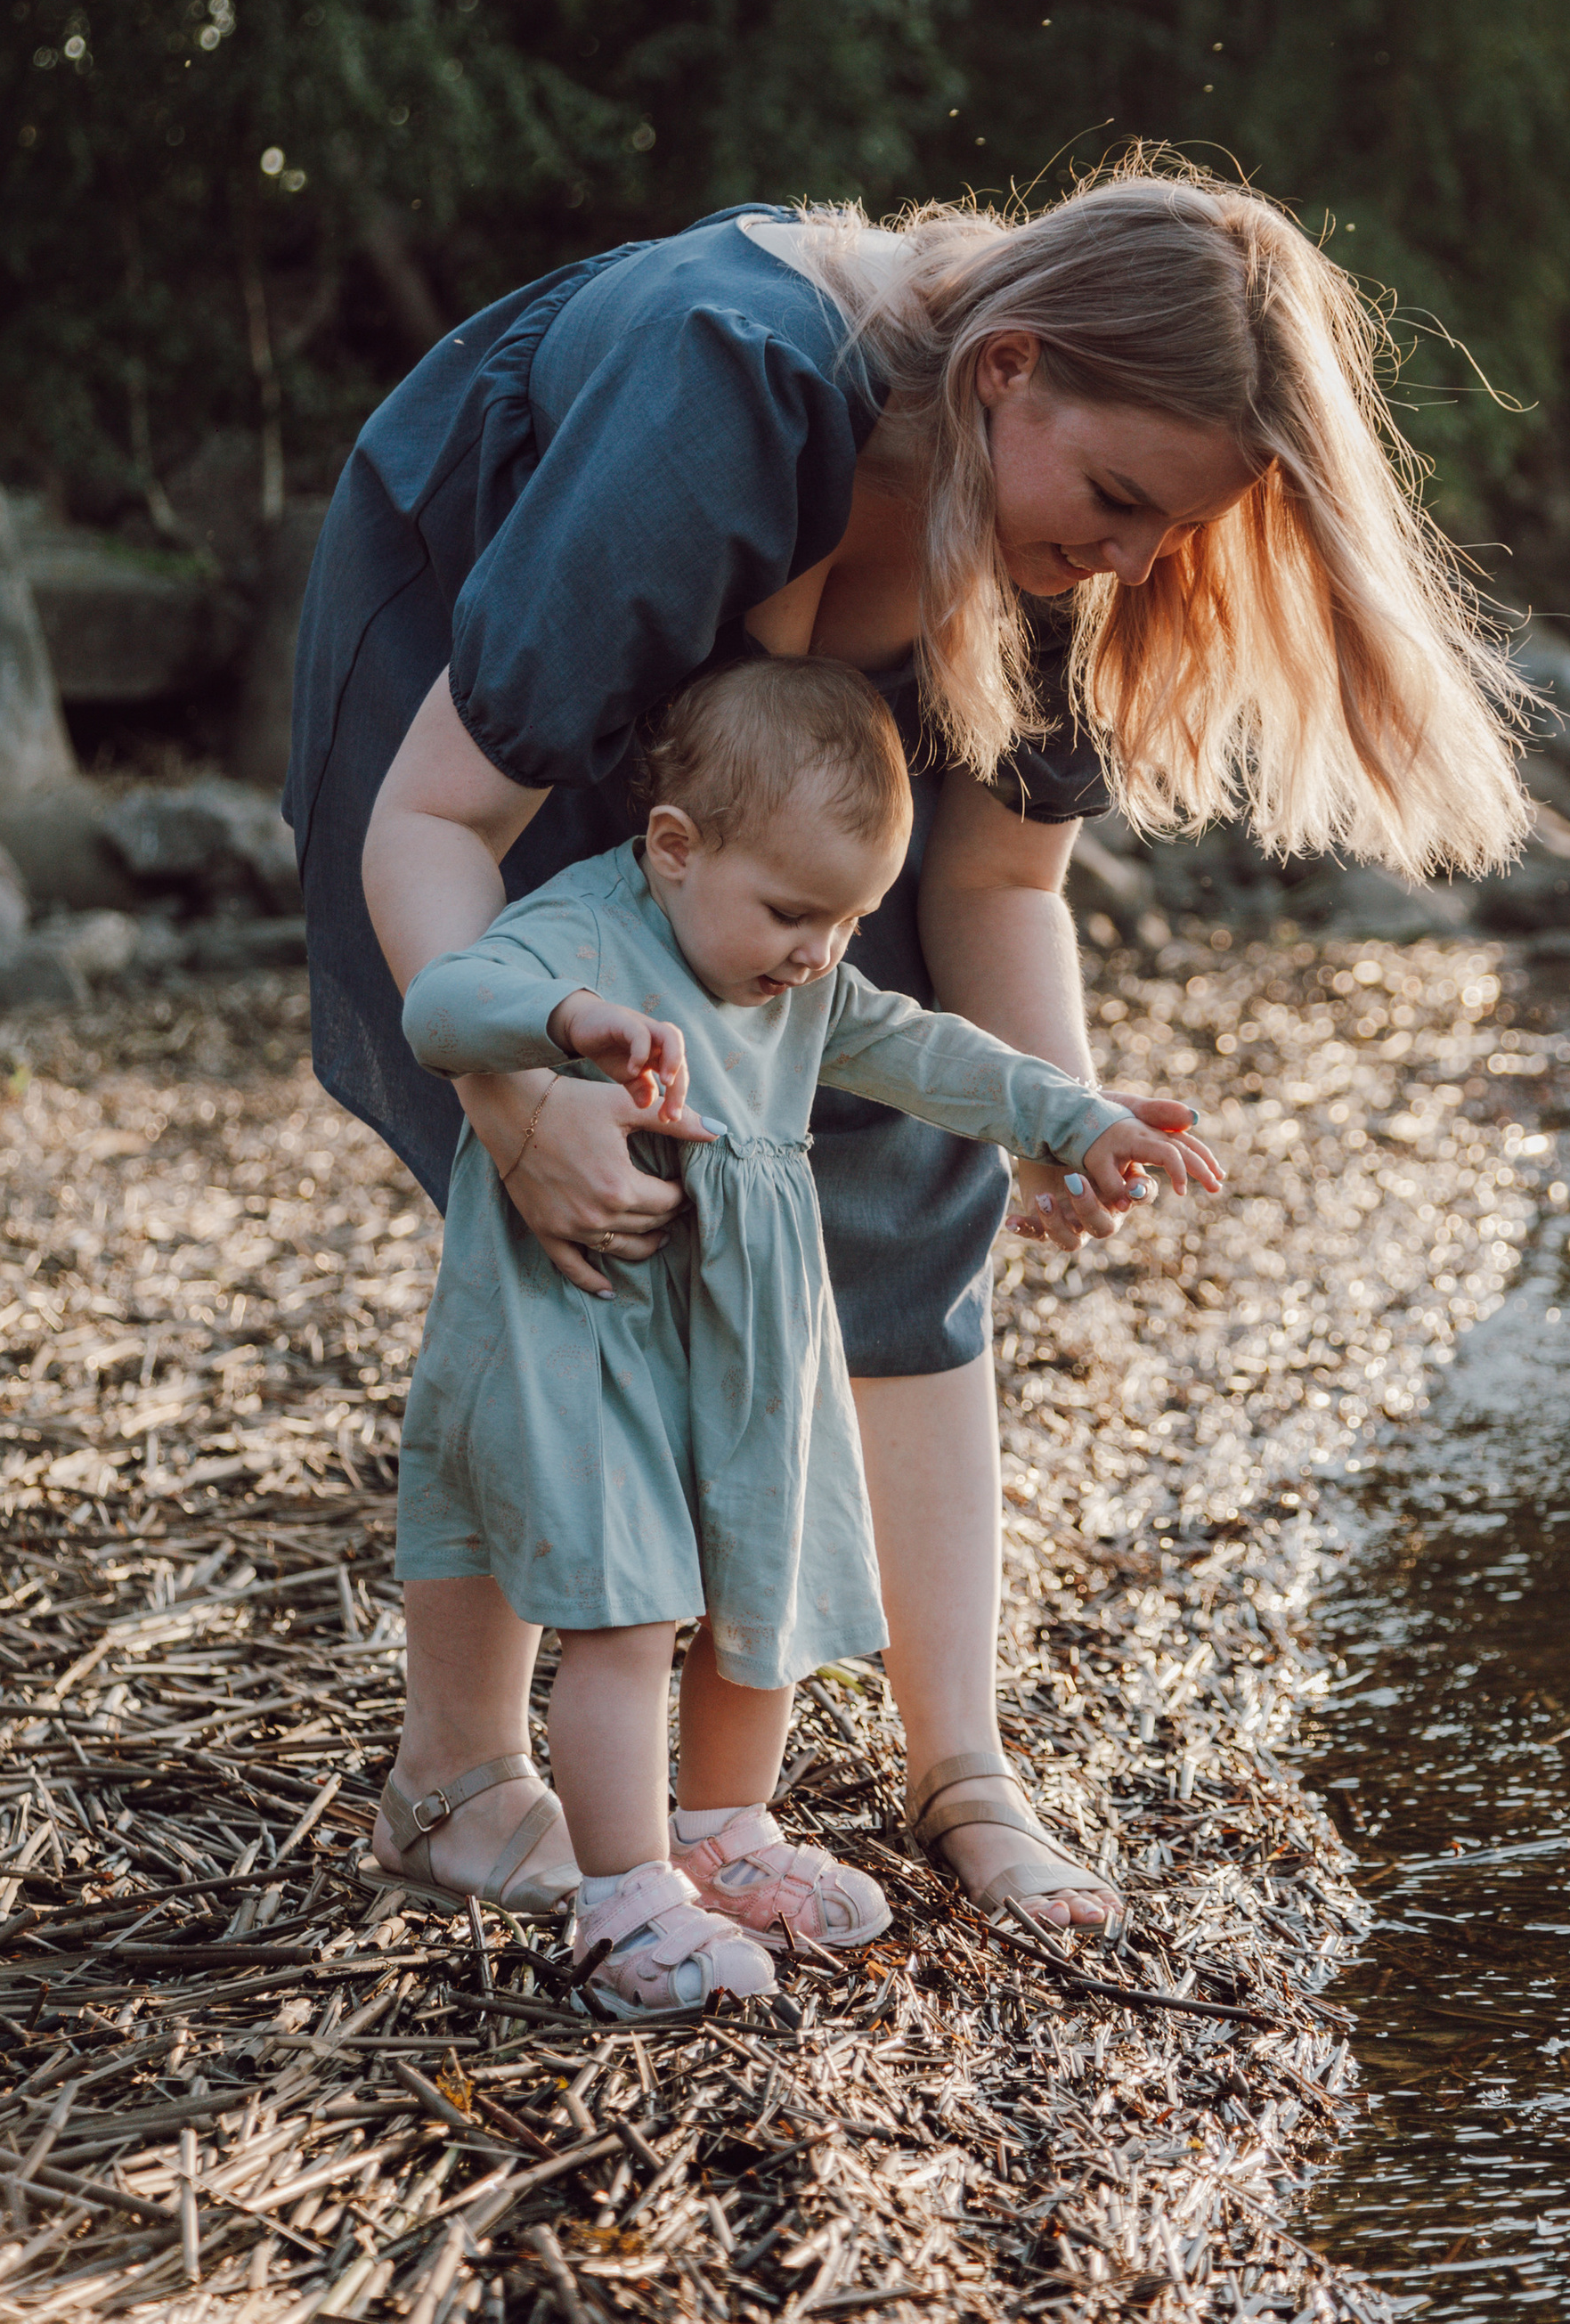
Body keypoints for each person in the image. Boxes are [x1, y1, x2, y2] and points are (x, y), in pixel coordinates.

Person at [289, 158, 1525, 1932]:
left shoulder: (1063, 532)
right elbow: (433, 822)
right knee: (582, 1218)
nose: (1126, 559)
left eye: (1164, 533)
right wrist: (511, 1094)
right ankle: (462, 1779)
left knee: (903, 1177)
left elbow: (1004, 878)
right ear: (1004, 369)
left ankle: (967, 1778)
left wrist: (1054, 1117)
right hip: (497, 656)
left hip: (806, 685)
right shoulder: (725, 398)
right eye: (1112, 500)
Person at [378, 655, 1216, 2010]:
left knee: (753, 1593)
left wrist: (1078, 1116)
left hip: (751, 1353)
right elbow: (435, 1004)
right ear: (672, 848)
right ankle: (623, 1900)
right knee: (631, 1607)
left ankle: (722, 1834)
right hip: (593, 1335)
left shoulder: (805, 982)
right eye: (790, 914)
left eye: (847, 922)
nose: (819, 952)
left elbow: (933, 1054)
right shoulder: (584, 936)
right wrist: (558, 1024)